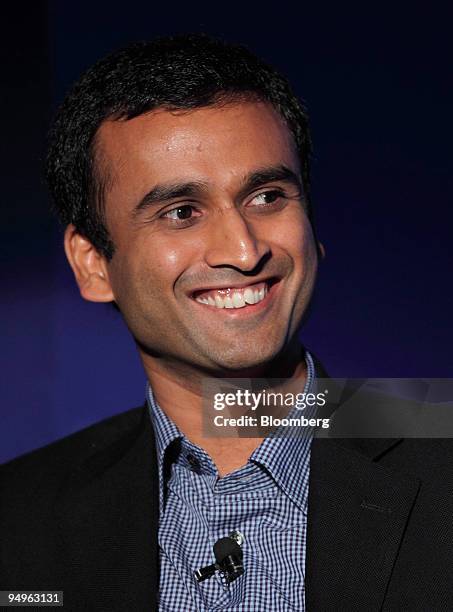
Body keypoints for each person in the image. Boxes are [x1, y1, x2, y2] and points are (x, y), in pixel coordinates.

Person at [1, 34, 452, 611]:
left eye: (267, 196)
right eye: (181, 212)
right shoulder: (17, 521)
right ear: (94, 265)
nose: (242, 249)